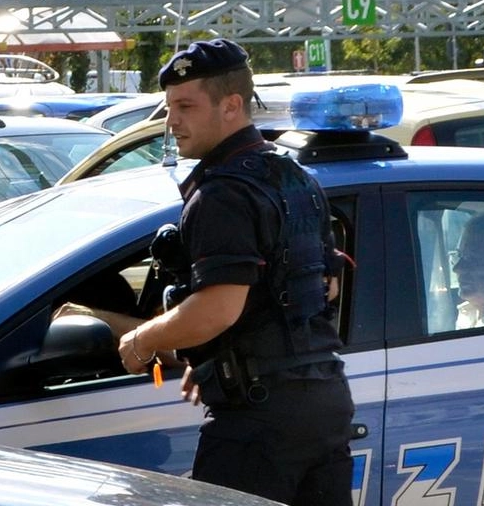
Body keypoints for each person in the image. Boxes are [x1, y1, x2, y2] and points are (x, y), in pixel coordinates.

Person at [114, 38, 354, 505]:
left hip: (260, 420)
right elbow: (322, 286)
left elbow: (218, 307)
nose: (172, 121)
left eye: (185, 105)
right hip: (323, 400)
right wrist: (217, 353)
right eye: (169, 107)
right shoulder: (294, 175)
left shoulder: (221, 194)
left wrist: (143, 340)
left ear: (231, 105)